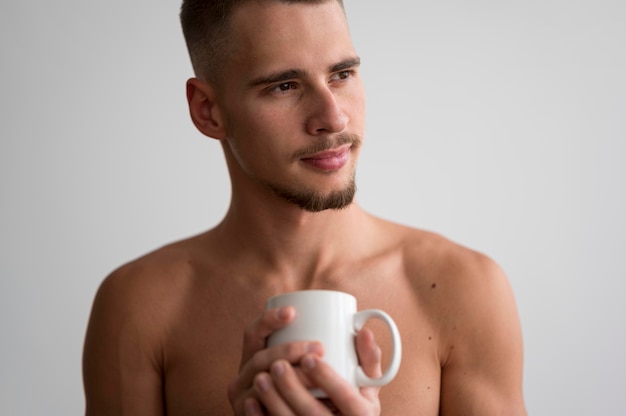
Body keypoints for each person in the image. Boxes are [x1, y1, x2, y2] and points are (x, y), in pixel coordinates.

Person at [82, 0, 527, 414]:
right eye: (285, 86)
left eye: (342, 74)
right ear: (208, 111)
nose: (333, 118)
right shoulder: (140, 308)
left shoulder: (462, 289)